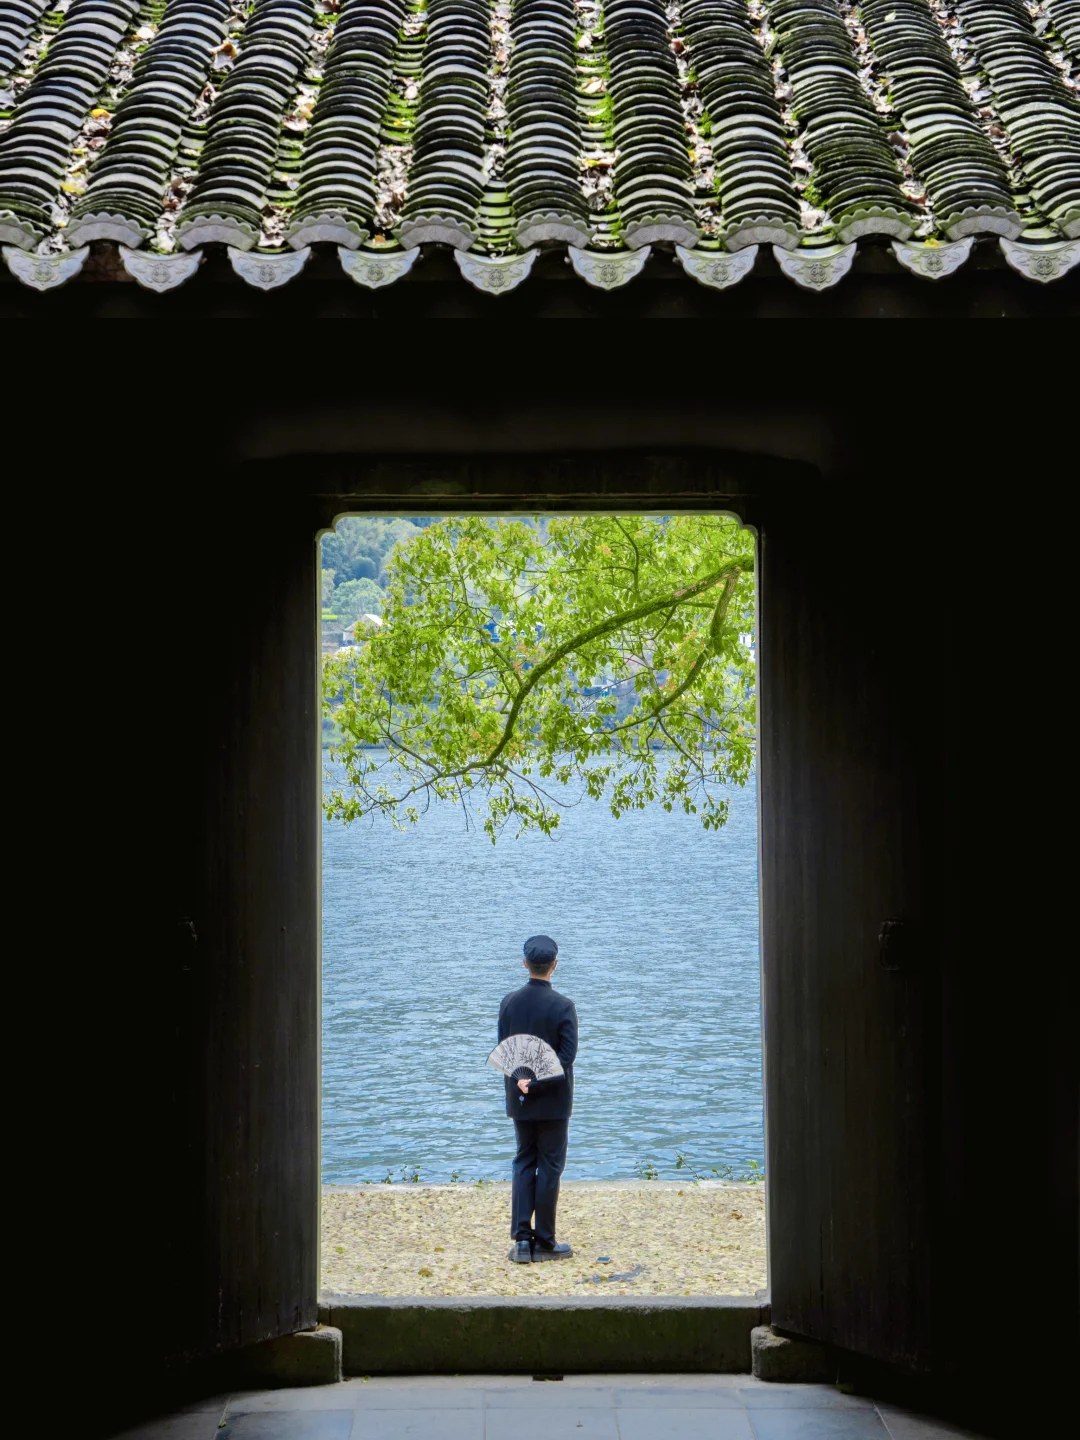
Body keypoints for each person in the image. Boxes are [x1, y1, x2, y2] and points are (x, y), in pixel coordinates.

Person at [498, 934, 579, 1263]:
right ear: (554, 966)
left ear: (525, 964)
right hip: (554, 1099)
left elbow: (505, 1049)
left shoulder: (509, 1003)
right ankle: (545, 1240)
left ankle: (521, 1240)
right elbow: (566, 1056)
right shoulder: (563, 1006)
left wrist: (522, 1082)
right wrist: (539, 1081)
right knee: (550, 1166)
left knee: (523, 1161)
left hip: (520, 1097)